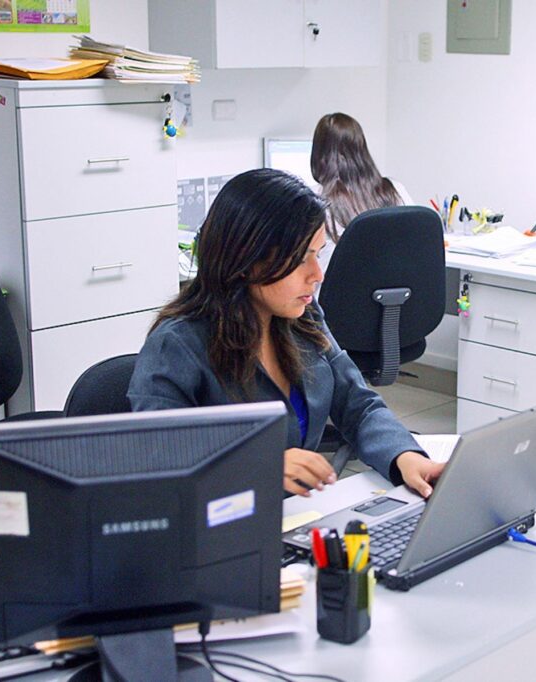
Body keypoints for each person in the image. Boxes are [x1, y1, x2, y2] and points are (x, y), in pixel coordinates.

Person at [128, 168, 444, 497]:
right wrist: (259, 463)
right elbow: (156, 453)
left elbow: (357, 405)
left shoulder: (303, 317)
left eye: (317, 254)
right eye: (300, 259)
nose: (317, 275)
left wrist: (405, 457)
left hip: (293, 518)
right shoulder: (178, 343)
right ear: (246, 258)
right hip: (218, 528)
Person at [310, 112, 414, 269]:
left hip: (333, 292)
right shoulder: (395, 190)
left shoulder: (312, 199)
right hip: (390, 291)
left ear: (319, 154)